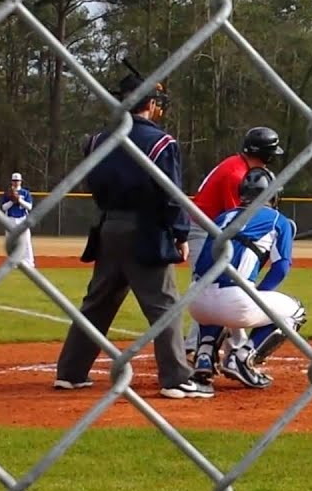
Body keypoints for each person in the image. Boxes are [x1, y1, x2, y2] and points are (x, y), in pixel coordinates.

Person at [52, 69, 211, 399]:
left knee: (97, 303)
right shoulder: (161, 142)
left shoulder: (97, 139)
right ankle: (176, 378)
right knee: (164, 305)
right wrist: (180, 234)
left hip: (108, 226)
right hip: (147, 231)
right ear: (150, 103)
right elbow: (171, 195)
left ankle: (70, 372)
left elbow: (92, 183)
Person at [188, 166, 306, 390]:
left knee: (213, 295)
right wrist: (259, 293)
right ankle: (243, 357)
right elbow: (280, 268)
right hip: (235, 303)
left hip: (196, 302)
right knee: (296, 311)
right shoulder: (277, 220)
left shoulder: (223, 217)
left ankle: (204, 353)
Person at [182, 127, 285, 363]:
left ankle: (205, 348)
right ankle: (207, 350)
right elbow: (240, 220)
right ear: (266, 154)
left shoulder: (240, 166)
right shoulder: (236, 175)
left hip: (213, 228)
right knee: (213, 286)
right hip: (203, 230)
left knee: (220, 289)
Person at [0, 172, 35, 268]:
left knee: (26, 240)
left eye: (17, 181)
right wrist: (12, 200)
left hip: (22, 219)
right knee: (11, 242)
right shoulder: (7, 193)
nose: (16, 182)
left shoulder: (25, 193)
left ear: (21, 181)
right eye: (14, 181)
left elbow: (29, 207)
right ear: (11, 181)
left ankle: (30, 262)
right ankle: (13, 262)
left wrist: (19, 200)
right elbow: (4, 207)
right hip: (10, 219)